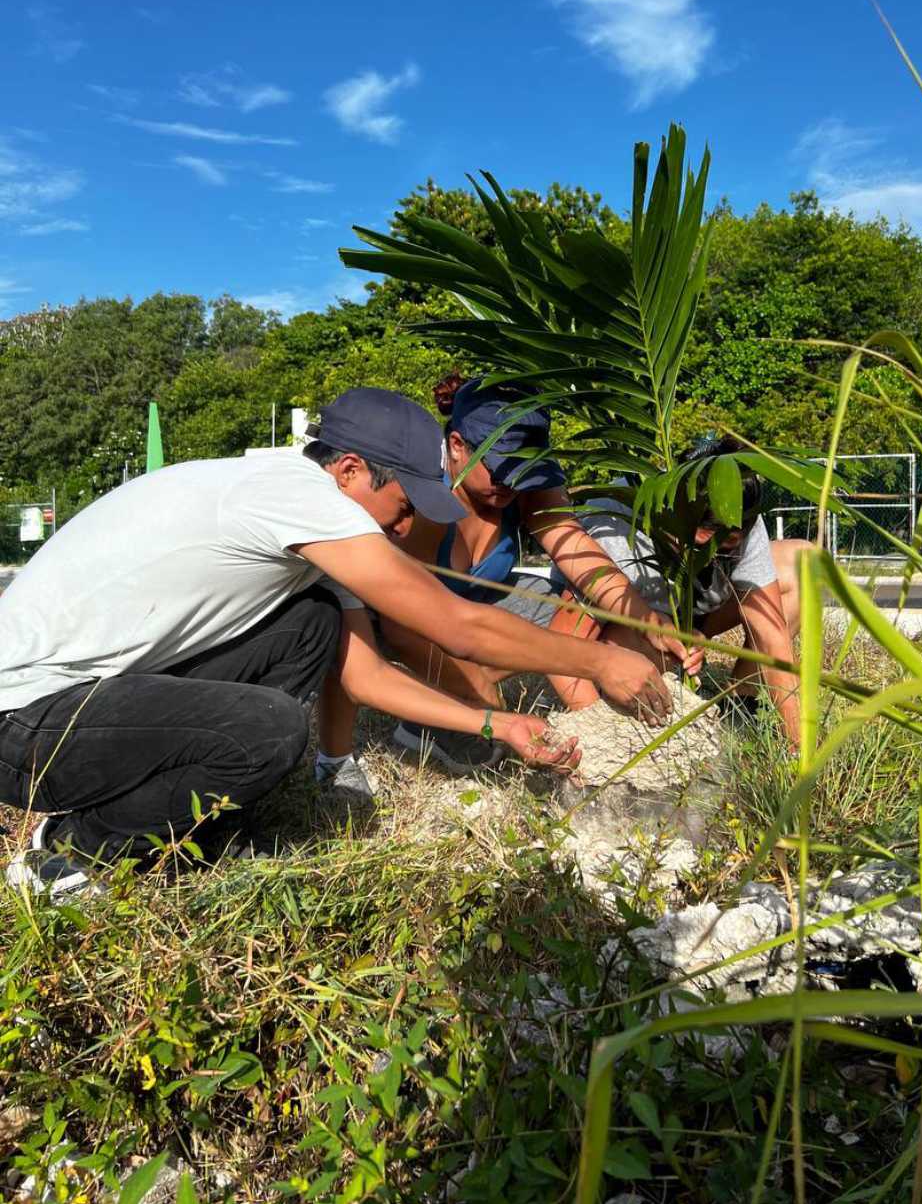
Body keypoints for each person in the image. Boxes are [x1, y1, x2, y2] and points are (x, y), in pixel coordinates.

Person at [0, 387, 670, 897]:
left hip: (82, 700)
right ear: (350, 470)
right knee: (265, 732)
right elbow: (456, 624)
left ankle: (193, 817)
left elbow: (365, 676)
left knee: (312, 621)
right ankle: (68, 848)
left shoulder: (308, 517)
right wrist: (600, 657)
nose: (406, 526)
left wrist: (498, 724)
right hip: (25, 720)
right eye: (404, 506)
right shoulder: (294, 496)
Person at [317, 375, 697, 776]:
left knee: (575, 601)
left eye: (523, 474)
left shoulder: (525, 487)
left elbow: (573, 548)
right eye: (500, 471)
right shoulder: (423, 503)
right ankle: (388, 734)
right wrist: (487, 707)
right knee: (485, 749)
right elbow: (405, 629)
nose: (511, 485)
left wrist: (642, 616)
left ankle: (589, 714)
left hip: (470, 616)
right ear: (457, 447)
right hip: (408, 620)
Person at [544, 435, 809, 750]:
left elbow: (772, 635)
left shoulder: (734, 508)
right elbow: (561, 646)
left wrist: (800, 751)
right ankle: (649, 704)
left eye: (725, 548)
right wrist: (598, 730)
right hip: (630, 630)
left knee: (801, 562)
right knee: (660, 653)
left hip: (689, 618)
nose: (710, 559)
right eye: (700, 543)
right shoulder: (614, 525)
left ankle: (741, 706)